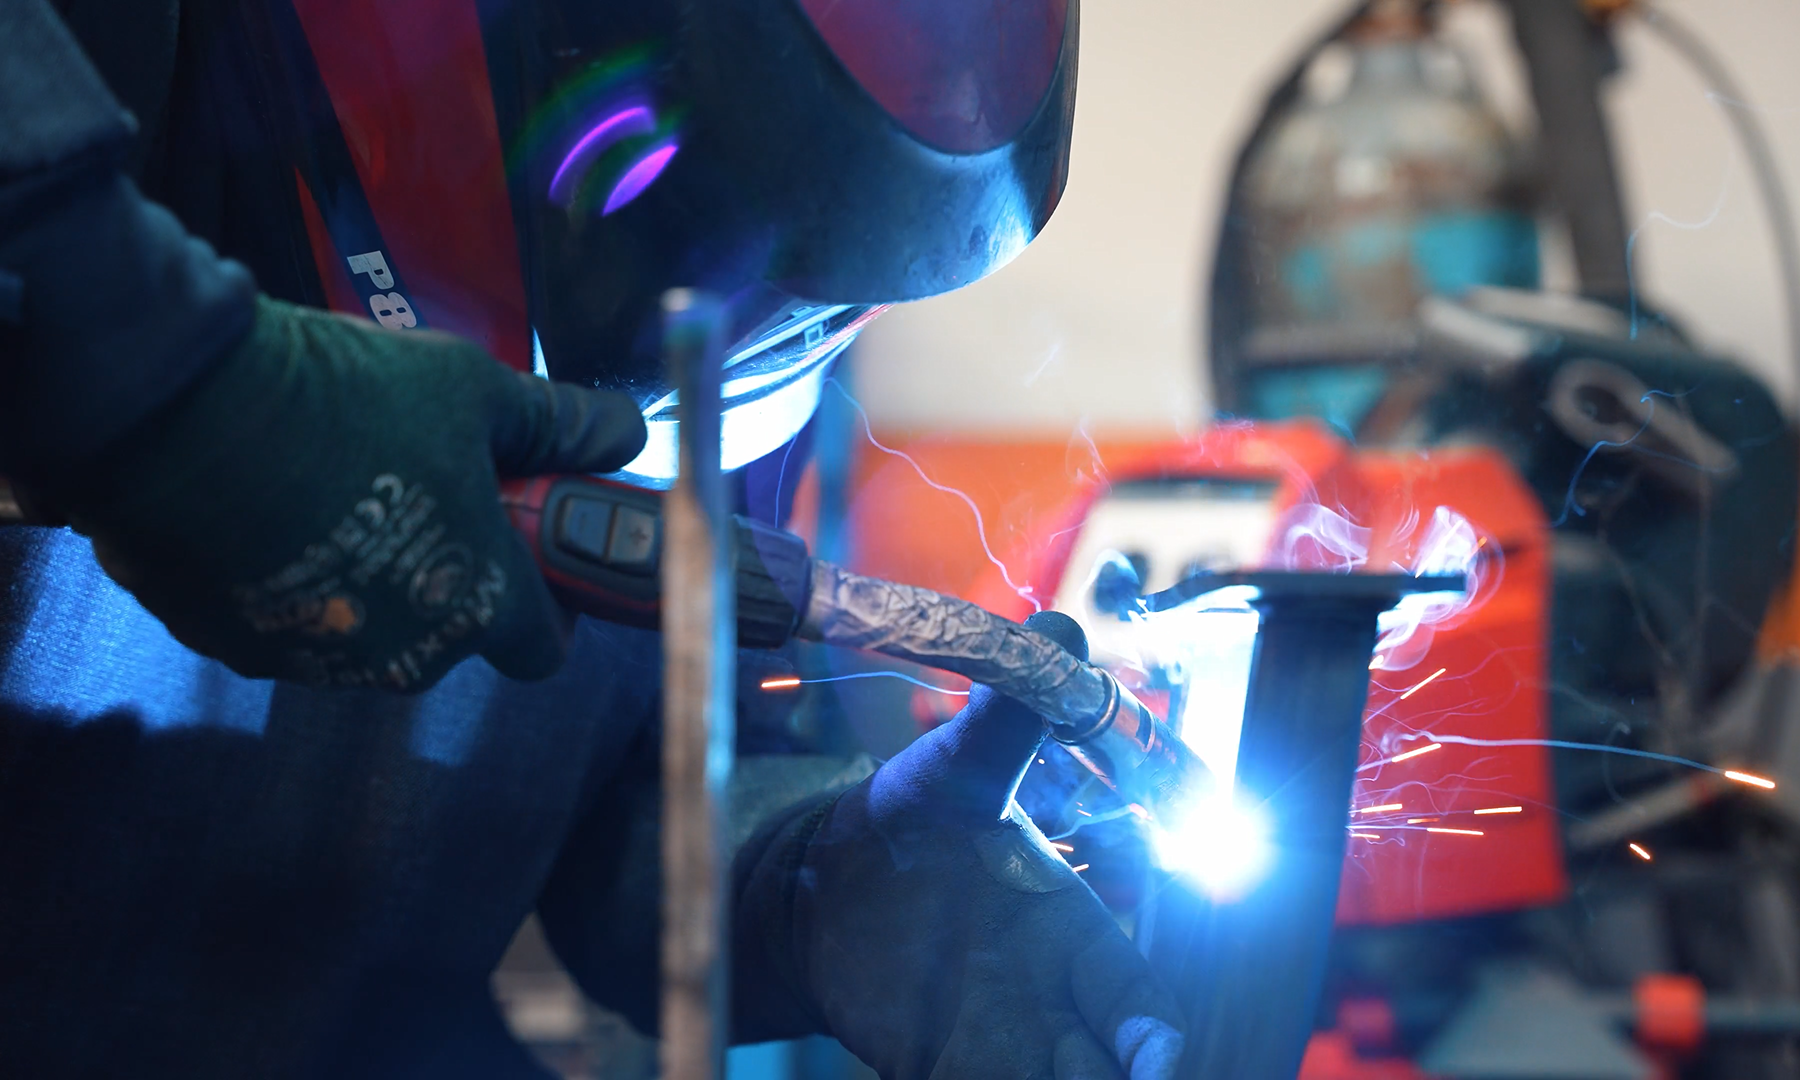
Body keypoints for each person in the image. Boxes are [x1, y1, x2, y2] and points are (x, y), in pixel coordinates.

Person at [0, 0, 1185, 1076]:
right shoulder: (104, 97)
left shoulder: (724, 320)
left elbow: (625, 796)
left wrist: (805, 882)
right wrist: (143, 370)